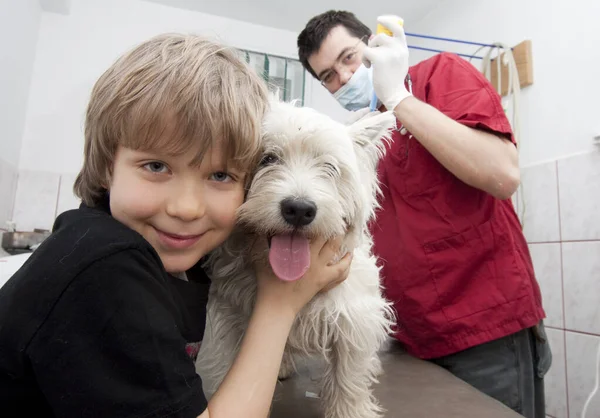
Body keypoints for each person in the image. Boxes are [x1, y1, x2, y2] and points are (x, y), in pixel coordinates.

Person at [0, 33, 351, 418]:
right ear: (105, 167)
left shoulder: (168, 249)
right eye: (156, 166)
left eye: (219, 175)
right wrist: (280, 304)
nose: (186, 208)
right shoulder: (103, 266)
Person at [297, 10, 551, 418]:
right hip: (410, 336)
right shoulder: (362, 134)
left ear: (373, 44)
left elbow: (502, 174)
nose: (342, 78)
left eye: (348, 58)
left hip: (485, 331)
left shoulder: (439, 76)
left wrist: (399, 99)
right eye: (327, 76)